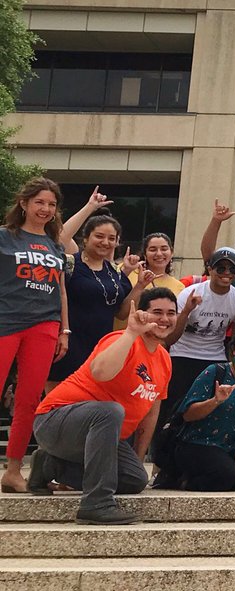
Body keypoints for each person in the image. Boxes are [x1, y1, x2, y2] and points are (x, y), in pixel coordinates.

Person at [30, 287, 177, 523]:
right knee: (110, 410)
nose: (164, 319)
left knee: (134, 479)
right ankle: (96, 503)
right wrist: (130, 333)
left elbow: (151, 412)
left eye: (171, 313)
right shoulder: (120, 340)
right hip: (55, 421)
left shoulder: (164, 360)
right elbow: (100, 372)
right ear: (141, 314)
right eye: (156, 312)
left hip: (101, 437)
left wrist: (137, 459)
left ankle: (51, 465)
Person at [0, 177, 70, 493]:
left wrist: (63, 330)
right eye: (39, 202)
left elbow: (61, 290)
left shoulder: (55, 245)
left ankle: (13, 471)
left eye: (51, 204)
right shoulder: (5, 237)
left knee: (30, 400)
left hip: (44, 325)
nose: (45, 209)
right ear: (24, 203)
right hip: (5, 321)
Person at [172, 326, 235, 492]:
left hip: (231, 447)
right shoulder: (215, 371)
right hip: (199, 443)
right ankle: (183, 481)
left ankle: (226, 475)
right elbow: (188, 414)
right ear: (234, 350)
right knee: (226, 474)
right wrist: (215, 401)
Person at [160, 247, 235, 425]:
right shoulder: (190, 293)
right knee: (173, 410)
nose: (226, 273)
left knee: (209, 411)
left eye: (232, 269)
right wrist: (186, 310)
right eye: (221, 268)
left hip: (214, 358)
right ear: (210, 269)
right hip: (182, 354)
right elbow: (171, 338)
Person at [48, 215, 139, 385]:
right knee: (57, 404)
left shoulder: (115, 272)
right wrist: (90, 206)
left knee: (90, 404)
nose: (105, 242)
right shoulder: (69, 264)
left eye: (111, 238)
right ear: (86, 238)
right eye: (99, 236)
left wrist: (140, 285)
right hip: (67, 344)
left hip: (100, 347)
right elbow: (61, 237)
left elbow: (120, 313)